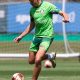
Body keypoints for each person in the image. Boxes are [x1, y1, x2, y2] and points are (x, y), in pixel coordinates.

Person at [14, 0, 69, 80]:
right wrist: (21, 36)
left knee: (38, 59)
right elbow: (32, 25)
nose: (31, 3)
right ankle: (50, 56)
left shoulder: (48, 6)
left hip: (47, 36)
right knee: (31, 60)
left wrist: (66, 18)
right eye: (30, 2)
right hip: (37, 37)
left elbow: (62, 13)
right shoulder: (32, 10)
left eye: (32, 1)